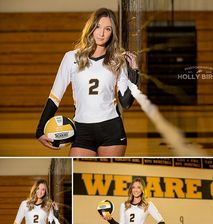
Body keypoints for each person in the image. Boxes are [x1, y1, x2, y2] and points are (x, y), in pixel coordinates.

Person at [36, 8, 139, 156]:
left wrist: (135, 73)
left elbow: (126, 102)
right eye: (97, 27)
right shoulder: (71, 58)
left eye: (107, 29)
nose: (101, 33)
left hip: (111, 130)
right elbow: (55, 97)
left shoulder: (118, 60)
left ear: (112, 33)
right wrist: (40, 130)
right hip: (81, 130)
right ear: (91, 27)